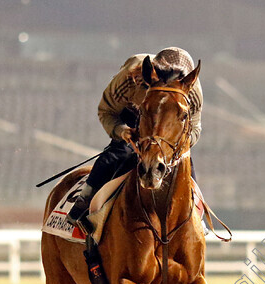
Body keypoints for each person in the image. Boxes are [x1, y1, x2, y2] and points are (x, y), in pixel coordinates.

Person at [66, 47, 203, 234]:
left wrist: (176, 148)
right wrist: (121, 131)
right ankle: (83, 206)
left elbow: (195, 129)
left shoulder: (193, 91)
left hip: (171, 135)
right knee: (114, 157)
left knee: (187, 168)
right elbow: (106, 111)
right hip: (134, 120)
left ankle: (196, 218)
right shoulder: (130, 78)